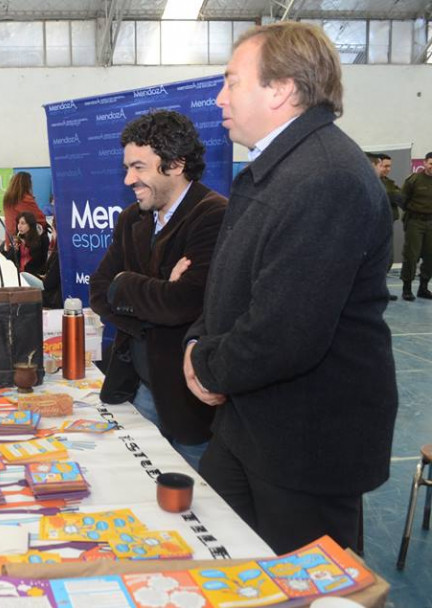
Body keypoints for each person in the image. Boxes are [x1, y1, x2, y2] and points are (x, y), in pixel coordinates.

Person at [183, 22, 397, 553]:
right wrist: (197, 341)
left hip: (307, 442)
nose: (219, 97)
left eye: (232, 82)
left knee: (304, 587)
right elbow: (231, 285)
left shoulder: (326, 177)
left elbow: (286, 332)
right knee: (218, 560)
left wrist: (204, 365)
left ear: (280, 89)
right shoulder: (280, 169)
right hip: (251, 425)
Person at [89, 110, 227, 471]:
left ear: (177, 164)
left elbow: (184, 304)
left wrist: (127, 285)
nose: (128, 179)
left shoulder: (213, 216)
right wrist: (157, 292)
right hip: (138, 388)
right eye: (127, 167)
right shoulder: (131, 218)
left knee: (197, 505)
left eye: (139, 167)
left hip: (187, 404)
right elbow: (100, 292)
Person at [367, 153, 401, 300]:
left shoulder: (389, 183)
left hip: (386, 225)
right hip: (371, 228)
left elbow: (401, 198)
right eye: (384, 166)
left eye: (389, 166)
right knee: (372, 262)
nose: (387, 169)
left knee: (388, 259)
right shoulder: (368, 181)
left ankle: (381, 290)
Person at [400, 152, 432, 300]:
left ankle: (423, 288)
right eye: (431, 163)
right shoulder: (414, 180)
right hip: (415, 222)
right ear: (425, 163)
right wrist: (413, 211)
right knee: (411, 256)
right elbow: (402, 199)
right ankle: (407, 289)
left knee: (430, 256)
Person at [1, 171, 46, 249]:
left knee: (13, 259)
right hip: (24, 241)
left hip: (11, 238)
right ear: (27, 184)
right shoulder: (24, 198)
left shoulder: (8, 198)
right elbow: (40, 218)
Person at [4, 211, 49, 275]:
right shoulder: (18, 238)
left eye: (23, 223)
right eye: (18, 223)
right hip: (18, 273)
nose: (19, 226)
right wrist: (14, 249)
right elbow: (9, 259)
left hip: (33, 274)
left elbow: (41, 260)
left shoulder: (42, 239)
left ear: (30, 225)